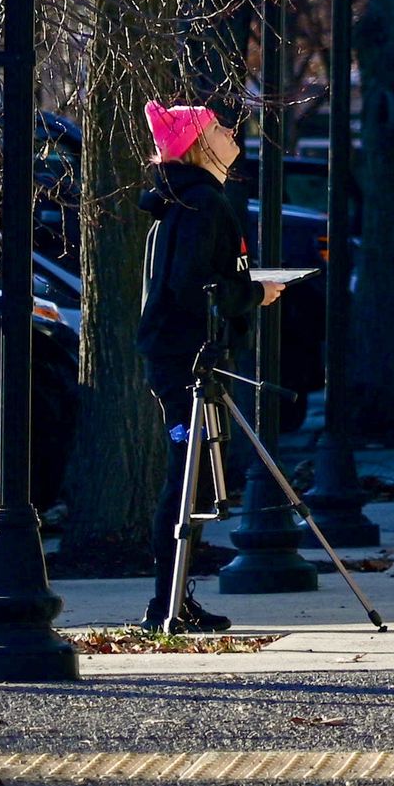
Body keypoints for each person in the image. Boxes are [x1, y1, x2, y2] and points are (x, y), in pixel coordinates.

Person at [136, 102, 279, 635]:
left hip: (179, 355)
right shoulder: (203, 204)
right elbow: (193, 285)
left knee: (190, 476)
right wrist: (255, 293)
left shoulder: (185, 200)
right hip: (185, 360)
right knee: (185, 475)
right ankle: (166, 604)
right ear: (199, 145)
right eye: (217, 127)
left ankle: (172, 599)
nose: (228, 132)